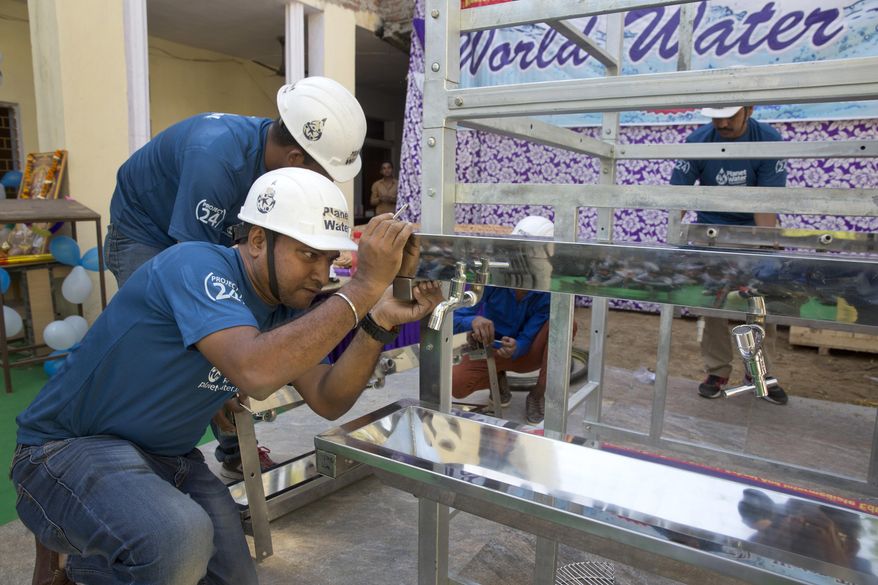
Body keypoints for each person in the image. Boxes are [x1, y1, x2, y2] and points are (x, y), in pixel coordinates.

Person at [12, 168, 441, 585]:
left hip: (169, 459)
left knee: (228, 575)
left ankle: (94, 564)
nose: (320, 273)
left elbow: (329, 398)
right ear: (257, 240)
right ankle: (74, 565)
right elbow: (254, 370)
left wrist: (378, 321)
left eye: (329, 258)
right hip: (65, 451)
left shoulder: (286, 307)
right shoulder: (195, 265)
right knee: (176, 541)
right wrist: (364, 285)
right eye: (308, 253)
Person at [105, 75, 368, 477]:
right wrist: (226, 371)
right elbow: (193, 273)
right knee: (184, 338)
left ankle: (233, 451)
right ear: (297, 159)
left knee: (234, 334)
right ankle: (142, 462)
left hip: (196, 228)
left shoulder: (273, 166)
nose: (327, 184)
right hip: (146, 232)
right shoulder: (215, 159)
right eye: (326, 174)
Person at [670, 105, 788, 405]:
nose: (722, 122)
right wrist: (672, 238)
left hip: (752, 231)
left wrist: (765, 250)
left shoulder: (769, 141)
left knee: (758, 306)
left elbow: (766, 202)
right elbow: (678, 194)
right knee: (713, 306)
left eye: (730, 115)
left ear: (748, 109)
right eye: (716, 116)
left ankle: (758, 373)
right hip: (711, 232)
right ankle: (717, 371)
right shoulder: (698, 141)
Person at [452, 216, 575, 425]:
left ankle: (538, 393)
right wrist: (474, 321)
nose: (522, 258)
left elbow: (531, 334)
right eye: (518, 250)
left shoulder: (547, 289)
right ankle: (497, 377)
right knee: (457, 385)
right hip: (491, 347)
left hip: (527, 353)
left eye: (529, 252)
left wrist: (518, 347)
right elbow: (454, 314)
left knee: (567, 323)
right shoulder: (491, 274)